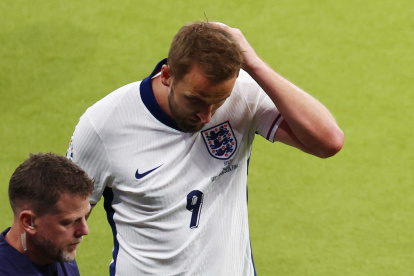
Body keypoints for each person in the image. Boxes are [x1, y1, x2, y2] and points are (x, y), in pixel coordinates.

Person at [67, 21, 344, 275]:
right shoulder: (103, 125)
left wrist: (256, 65)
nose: (207, 116)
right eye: (195, 100)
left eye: (219, 101)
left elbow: (328, 141)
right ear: (167, 75)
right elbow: (61, 223)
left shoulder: (242, 94)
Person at [0, 153, 94, 276]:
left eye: (85, 217)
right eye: (68, 222)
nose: (84, 230)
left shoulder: (58, 254)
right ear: (29, 222)